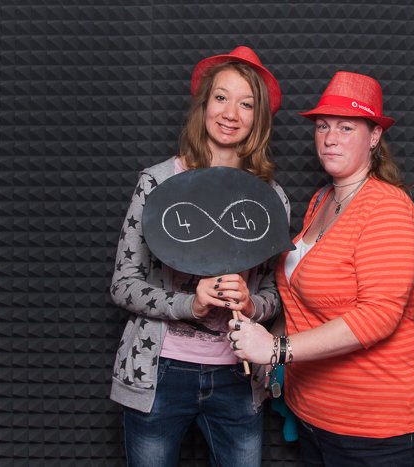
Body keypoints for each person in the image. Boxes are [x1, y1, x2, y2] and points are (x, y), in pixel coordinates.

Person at [228, 71, 414, 466]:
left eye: (346, 127)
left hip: (377, 425)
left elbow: (378, 316)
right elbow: (300, 297)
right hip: (316, 414)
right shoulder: (322, 200)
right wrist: (264, 331)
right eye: (323, 126)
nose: (329, 138)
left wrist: (276, 349)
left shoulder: (388, 208)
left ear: (374, 136)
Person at [109, 46, 288, 467]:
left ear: (259, 118)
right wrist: (189, 303)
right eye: (221, 97)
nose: (231, 113)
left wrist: (251, 304)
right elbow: (122, 284)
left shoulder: (271, 199)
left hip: (237, 378)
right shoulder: (157, 182)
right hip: (157, 372)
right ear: (204, 104)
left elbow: (276, 295)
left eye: (246, 104)